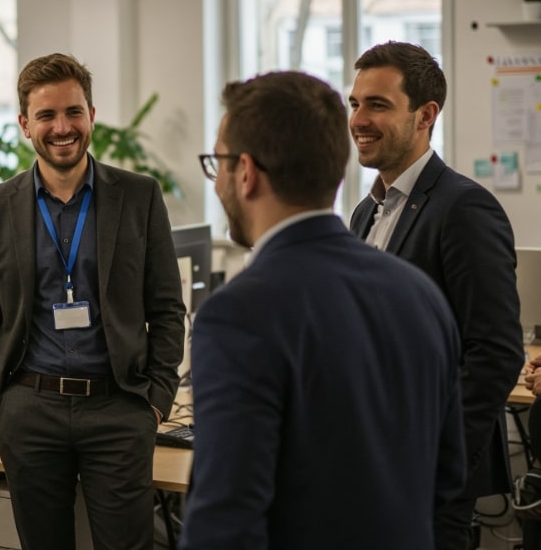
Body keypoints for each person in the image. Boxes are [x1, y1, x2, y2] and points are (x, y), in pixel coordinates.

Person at [180, 70, 464, 549]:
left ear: (245, 172)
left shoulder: (239, 313)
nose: (217, 183)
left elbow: (226, 520)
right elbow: (447, 475)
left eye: (218, 164)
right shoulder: (421, 295)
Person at [0, 52, 186, 550]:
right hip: (29, 410)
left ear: (91, 115)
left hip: (117, 409)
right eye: (46, 115)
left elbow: (168, 309)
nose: (62, 127)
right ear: (25, 124)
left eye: (73, 112)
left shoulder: (139, 196)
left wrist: (155, 404)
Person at [348, 41, 523, 549]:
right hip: (369, 462)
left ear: (425, 115)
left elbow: (495, 353)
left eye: (377, 105)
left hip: (425, 474)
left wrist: (437, 461)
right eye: (355, 103)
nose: (358, 120)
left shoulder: (464, 209)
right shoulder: (365, 212)